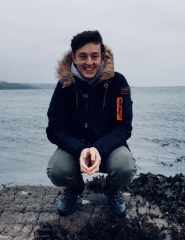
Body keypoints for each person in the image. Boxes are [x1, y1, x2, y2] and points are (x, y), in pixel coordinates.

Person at [46, 30, 136, 216]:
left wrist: (97, 149)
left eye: (94, 56)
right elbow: (55, 128)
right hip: (74, 147)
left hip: (109, 147)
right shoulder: (64, 85)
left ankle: (111, 189)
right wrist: (79, 149)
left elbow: (123, 127)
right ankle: (74, 188)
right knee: (57, 171)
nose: (89, 62)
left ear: (102, 56)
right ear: (74, 57)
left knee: (125, 168)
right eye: (83, 56)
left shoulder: (118, 82)